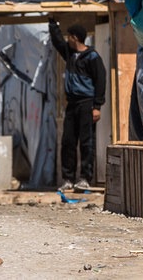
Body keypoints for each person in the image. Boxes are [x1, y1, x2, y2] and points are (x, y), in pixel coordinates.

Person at [49, 18, 106, 191]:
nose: (67, 40)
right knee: (68, 142)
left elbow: (101, 81)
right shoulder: (70, 54)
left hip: (87, 104)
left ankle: (85, 178)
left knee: (87, 142)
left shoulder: (93, 57)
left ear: (75, 37)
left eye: (69, 37)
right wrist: (53, 23)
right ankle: (68, 178)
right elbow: (57, 41)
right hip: (72, 104)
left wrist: (97, 106)